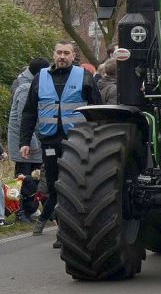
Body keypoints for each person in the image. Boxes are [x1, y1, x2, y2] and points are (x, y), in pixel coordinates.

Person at [19, 41, 102, 247]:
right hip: (50, 140)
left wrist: (98, 138)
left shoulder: (84, 77)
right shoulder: (40, 78)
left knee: (76, 184)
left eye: (66, 53)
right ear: (53, 54)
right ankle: (62, 230)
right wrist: (24, 142)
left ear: (74, 56)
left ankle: (76, 228)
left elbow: (97, 109)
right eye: (59, 52)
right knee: (56, 184)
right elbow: (29, 112)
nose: (62, 56)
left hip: (78, 139)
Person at [7, 58, 48, 222]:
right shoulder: (25, 88)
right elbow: (24, 119)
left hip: (33, 141)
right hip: (24, 141)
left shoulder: (33, 84)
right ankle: (19, 211)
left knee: (34, 176)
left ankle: (30, 209)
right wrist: (30, 143)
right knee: (22, 178)